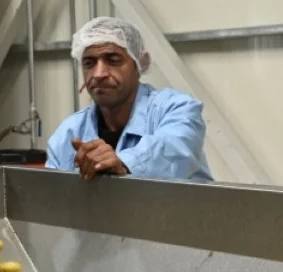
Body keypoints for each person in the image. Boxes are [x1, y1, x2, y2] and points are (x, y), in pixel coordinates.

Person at [45, 17, 213, 182]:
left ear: (139, 65)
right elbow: (51, 193)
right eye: (89, 63)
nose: (99, 74)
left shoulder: (176, 108)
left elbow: (174, 148)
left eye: (113, 60)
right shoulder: (69, 133)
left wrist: (123, 163)